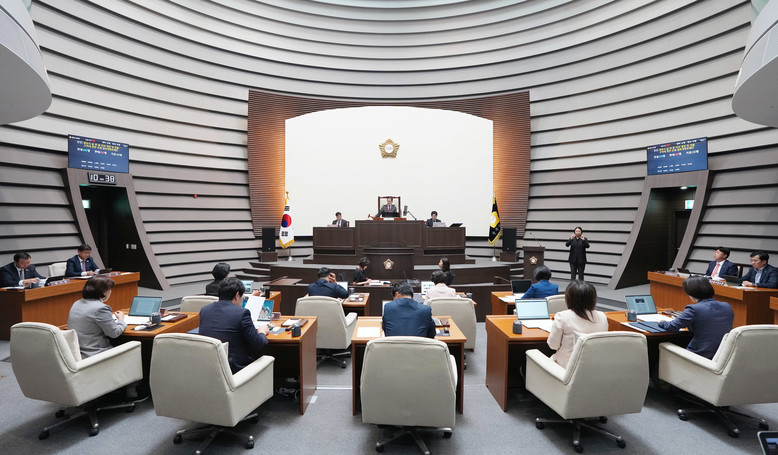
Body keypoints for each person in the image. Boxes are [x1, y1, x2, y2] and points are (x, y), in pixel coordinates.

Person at [199, 277, 269, 373]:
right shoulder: (242, 313)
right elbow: (258, 344)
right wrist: (262, 332)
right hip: (235, 369)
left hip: (209, 367)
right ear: (237, 295)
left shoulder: (205, 310)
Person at [658, 276, 734, 359]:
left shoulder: (693, 309)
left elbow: (671, 327)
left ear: (691, 293)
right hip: (721, 356)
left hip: (698, 356)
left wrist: (662, 322)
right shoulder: (727, 306)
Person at [547, 280, 608, 368]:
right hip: (596, 366)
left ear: (569, 299)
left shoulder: (562, 317)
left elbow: (553, 345)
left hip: (565, 368)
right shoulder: (602, 316)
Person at [67, 275, 126, 359]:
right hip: (95, 353)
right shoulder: (101, 308)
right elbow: (114, 333)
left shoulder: (76, 303)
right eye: (110, 289)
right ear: (104, 292)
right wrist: (121, 320)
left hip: (78, 353)